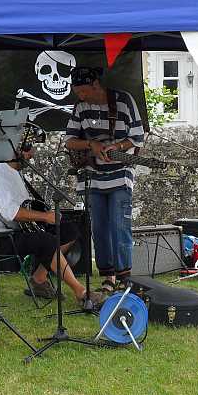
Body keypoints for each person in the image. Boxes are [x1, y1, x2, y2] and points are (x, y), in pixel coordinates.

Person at [0, 135, 105, 308]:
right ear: (14, 150)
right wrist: (44, 217)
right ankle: (81, 293)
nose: (31, 154)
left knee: (69, 231)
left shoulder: (13, 173)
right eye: (28, 149)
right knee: (47, 241)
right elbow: (12, 213)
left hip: (13, 232)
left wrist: (45, 214)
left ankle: (39, 279)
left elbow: (25, 206)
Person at [64, 66, 145, 295]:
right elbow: (69, 141)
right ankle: (108, 276)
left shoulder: (123, 101)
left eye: (83, 92)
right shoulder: (80, 106)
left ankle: (124, 278)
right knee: (99, 229)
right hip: (91, 174)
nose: (80, 97)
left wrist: (117, 147)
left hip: (121, 173)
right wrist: (92, 145)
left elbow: (137, 137)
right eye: (77, 92)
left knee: (120, 226)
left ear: (96, 85)